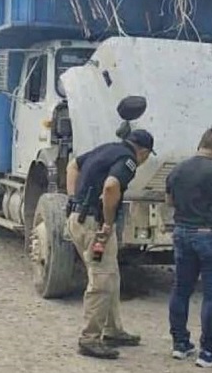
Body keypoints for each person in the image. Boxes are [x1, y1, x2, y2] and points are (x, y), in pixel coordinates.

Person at [65, 129, 155, 359]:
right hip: (95, 224)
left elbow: (73, 166)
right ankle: (89, 338)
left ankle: (112, 329)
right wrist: (107, 222)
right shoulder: (128, 161)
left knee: (111, 275)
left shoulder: (106, 149)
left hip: (79, 217)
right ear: (143, 152)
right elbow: (111, 187)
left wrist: (73, 199)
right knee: (102, 280)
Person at [165, 127, 212, 367]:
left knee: (181, 289)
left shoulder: (178, 169)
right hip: (211, 235)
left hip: (182, 233)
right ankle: (208, 351)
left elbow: (169, 201)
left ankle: (180, 344)